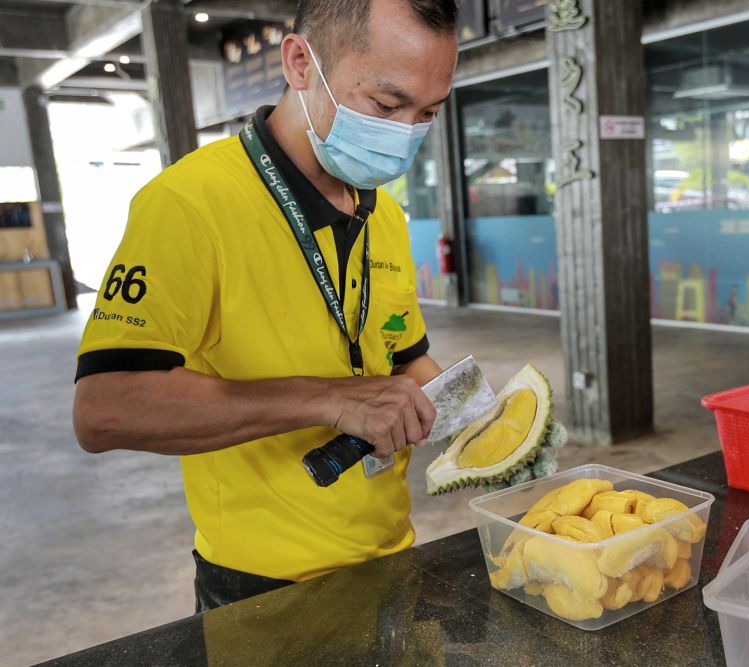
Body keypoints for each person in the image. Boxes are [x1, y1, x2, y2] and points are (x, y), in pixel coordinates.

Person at [72, 0, 459, 611]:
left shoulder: (382, 213)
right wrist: (329, 398)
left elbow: (405, 360)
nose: (406, 132)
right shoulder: (189, 203)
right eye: (387, 106)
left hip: (391, 557)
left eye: (427, 113)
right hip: (263, 588)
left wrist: (485, 419)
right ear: (301, 62)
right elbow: (104, 408)